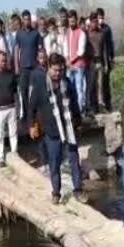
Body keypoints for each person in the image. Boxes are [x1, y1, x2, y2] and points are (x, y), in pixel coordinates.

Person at [28, 53, 87, 204]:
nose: (58, 73)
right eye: (55, 70)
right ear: (48, 68)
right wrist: (31, 125)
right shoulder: (40, 86)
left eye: (60, 70)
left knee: (74, 160)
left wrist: (78, 122)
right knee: (54, 162)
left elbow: (74, 104)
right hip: (51, 130)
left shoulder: (66, 83)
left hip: (69, 128)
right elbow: (31, 107)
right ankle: (56, 192)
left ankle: (78, 190)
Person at [15, 9, 44, 122]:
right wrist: (17, 66)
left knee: (34, 91)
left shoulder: (36, 33)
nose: (27, 21)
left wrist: (41, 64)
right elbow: (17, 50)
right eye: (25, 19)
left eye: (28, 19)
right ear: (22, 20)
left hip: (34, 67)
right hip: (23, 67)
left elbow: (41, 49)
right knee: (23, 91)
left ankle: (35, 114)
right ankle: (27, 115)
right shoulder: (19, 33)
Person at [86, 11, 113, 113]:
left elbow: (105, 50)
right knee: (92, 85)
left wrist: (106, 64)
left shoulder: (101, 34)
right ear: (90, 22)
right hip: (91, 62)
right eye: (93, 21)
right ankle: (93, 107)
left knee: (100, 85)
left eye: (96, 21)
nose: (95, 23)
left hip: (100, 62)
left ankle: (101, 105)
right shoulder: (87, 34)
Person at [65, 10, 88, 112]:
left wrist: (71, 60)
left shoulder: (82, 33)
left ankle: (79, 110)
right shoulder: (68, 32)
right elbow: (66, 48)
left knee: (79, 88)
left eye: (73, 21)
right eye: (70, 21)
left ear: (76, 20)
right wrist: (67, 60)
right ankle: (71, 110)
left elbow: (81, 51)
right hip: (69, 66)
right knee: (69, 88)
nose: (71, 23)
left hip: (78, 65)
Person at [97, 7, 115, 108]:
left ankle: (108, 104)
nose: (101, 19)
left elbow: (110, 44)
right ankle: (99, 104)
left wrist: (111, 57)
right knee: (97, 84)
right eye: (99, 17)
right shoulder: (93, 29)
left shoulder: (106, 29)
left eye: (102, 17)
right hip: (96, 60)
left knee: (106, 83)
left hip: (106, 59)